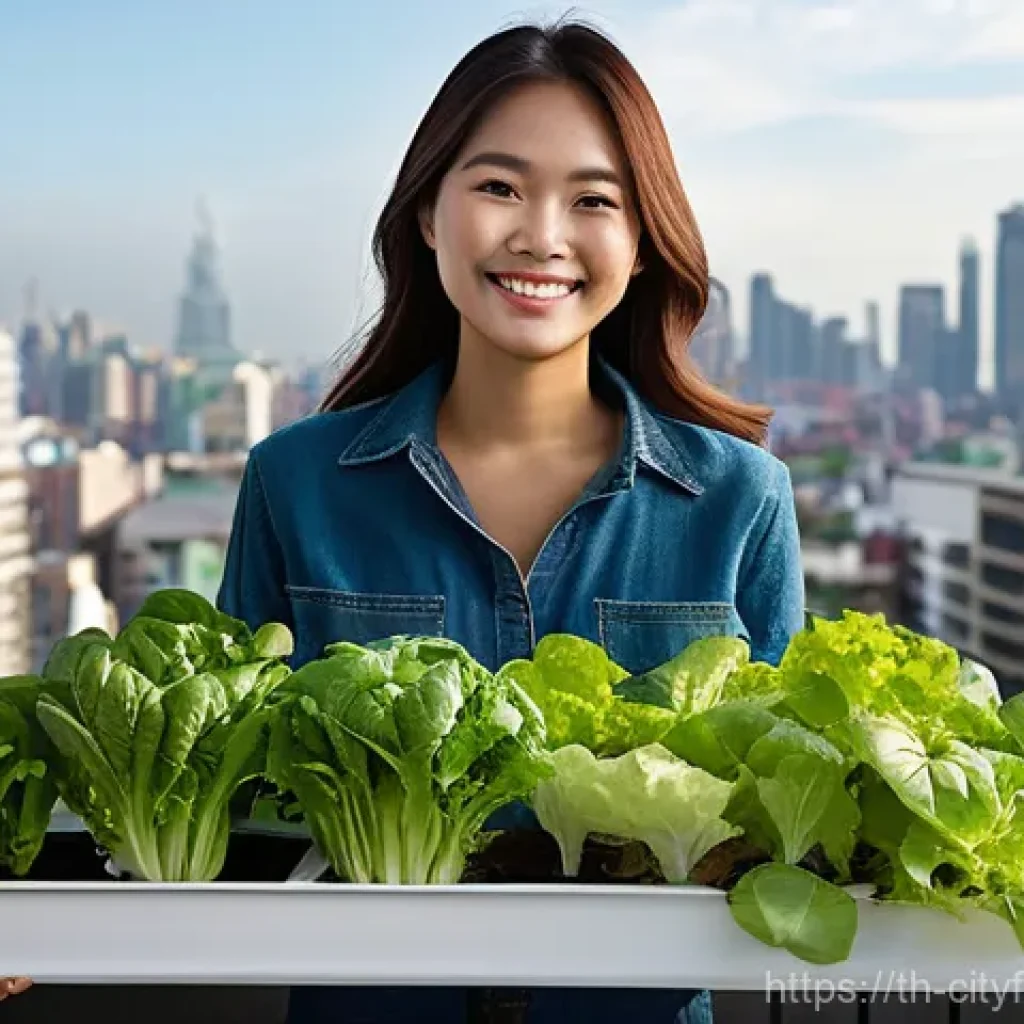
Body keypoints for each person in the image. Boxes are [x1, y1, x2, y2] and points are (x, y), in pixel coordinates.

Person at [2, 14, 804, 1022]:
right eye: (498, 186)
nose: (539, 236)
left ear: (642, 243)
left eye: (592, 200)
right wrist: (35, 909)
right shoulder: (295, 482)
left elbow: (792, 820)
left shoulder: (738, 500)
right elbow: (215, 782)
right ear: (427, 215)